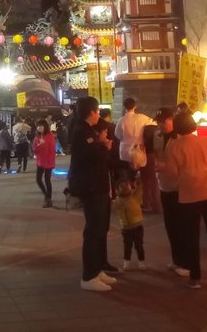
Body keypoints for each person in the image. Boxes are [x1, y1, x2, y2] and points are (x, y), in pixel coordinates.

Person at [164, 111, 207, 289]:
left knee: (191, 236)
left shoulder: (174, 146)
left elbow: (172, 174)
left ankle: (195, 278)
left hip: (188, 195)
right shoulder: (205, 141)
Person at [68, 96, 117, 292]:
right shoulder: (82, 132)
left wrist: (102, 141)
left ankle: (97, 270)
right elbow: (94, 158)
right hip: (91, 187)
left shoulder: (88, 130)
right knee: (93, 231)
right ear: (92, 112)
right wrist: (104, 145)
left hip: (99, 186)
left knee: (100, 229)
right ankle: (88, 276)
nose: (99, 115)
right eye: (97, 111)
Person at [150, 107, 185, 274]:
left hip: (180, 186)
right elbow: (154, 155)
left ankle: (185, 263)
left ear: (172, 119)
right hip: (164, 184)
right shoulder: (157, 136)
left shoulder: (181, 138)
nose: (161, 124)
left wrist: (167, 166)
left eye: (164, 121)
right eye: (158, 121)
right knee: (170, 224)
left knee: (182, 225)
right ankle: (176, 260)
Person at [114, 97, 152, 183]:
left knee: (127, 175)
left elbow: (117, 135)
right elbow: (154, 123)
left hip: (125, 152)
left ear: (124, 107)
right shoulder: (142, 118)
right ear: (135, 106)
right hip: (139, 151)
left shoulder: (121, 120)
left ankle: (128, 188)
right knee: (140, 177)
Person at [112, 180, 146, 271]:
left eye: (126, 186)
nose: (124, 188)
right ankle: (127, 263)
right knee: (127, 246)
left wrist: (138, 180)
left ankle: (141, 262)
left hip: (137, 227)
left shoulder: (134, 196)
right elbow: (111, 206)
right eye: (122, 187)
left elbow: (140, 188)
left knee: (138, 245)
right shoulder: (117, 202)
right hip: (126, 228)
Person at [33, 119, 56, 207]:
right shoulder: (37, 137)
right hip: (40, 161)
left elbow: (51, 150)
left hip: (48, 161)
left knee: (47, 180)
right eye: (38, 126)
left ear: (45, 126)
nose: (39, 127)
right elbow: (35, 150)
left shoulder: (50, 136)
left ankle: (48, 199)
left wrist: (43, 145)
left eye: (41, 126)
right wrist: (39, 146)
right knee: (38, 179)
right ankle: (46, 195)